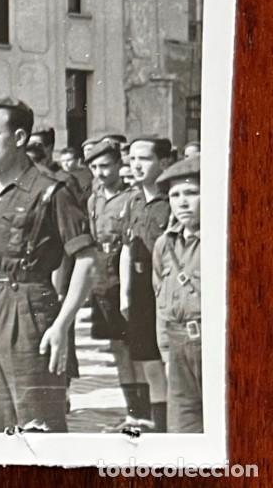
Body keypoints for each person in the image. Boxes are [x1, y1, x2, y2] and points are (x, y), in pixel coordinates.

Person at [0, 98, 95, 432]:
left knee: (36, 421)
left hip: (28, 307)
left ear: (20, 137)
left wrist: (62, 325)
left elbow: (87, 260)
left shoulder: (52, 190)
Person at [84, 138, 148, 430]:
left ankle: (144, 413)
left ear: (118, 165)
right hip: (102, 278)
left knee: (135, 346)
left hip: (126, 274)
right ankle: (132, 411)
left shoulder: (132, 198)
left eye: (105, 166)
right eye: (95, 167)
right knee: (117, 347)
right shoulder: (94, 199)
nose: (100, 172)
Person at [120, 136, 175, 433]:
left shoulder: (172, 201)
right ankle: (160, 425)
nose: (136, 165)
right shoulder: (133, 201)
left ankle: (175, 426)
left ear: (163, 162)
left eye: (145, 158)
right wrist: (124, 294)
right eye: (132, 159)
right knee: (149, 361)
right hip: (141, 292)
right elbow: (127, 248)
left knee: (169, 362)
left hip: (165, 292)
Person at [151, 155, 202, 432]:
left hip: (216, 345)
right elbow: (161, 298)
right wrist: (167, 354)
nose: (182, 202)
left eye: (192, 193)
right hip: (179, 345)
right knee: (183, 432)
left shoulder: (226, 238)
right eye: (175, 195)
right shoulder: (165, 244)